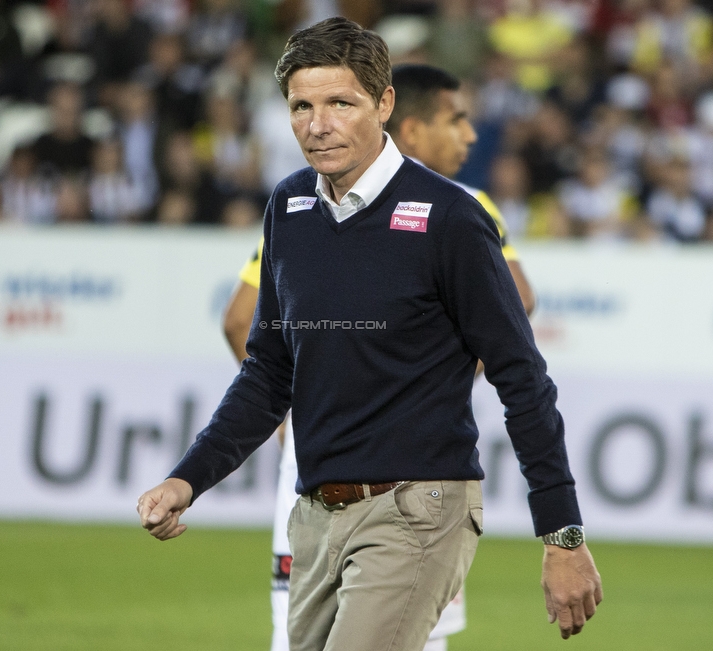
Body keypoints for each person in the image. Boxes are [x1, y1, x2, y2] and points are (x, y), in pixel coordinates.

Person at [139, 17, 601, 651]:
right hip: (314, 516)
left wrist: (563, 536)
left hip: (417, 511)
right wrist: (186, 479)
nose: (318, 123)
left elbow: (522, 378)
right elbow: (270, 372)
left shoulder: (451, 217)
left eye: (340, 103)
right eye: (301, 105)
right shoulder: (289, 207)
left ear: (384, 104)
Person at [221, 62, 537, 651]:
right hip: (409, 463)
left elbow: (240, 319)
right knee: (420, 636)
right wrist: (420, 382)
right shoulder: (467, 205)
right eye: (456, 119)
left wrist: (301, 402)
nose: (470, 135)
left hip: (320, 452)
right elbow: (519, 301)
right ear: (408, 126)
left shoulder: (307, 201)